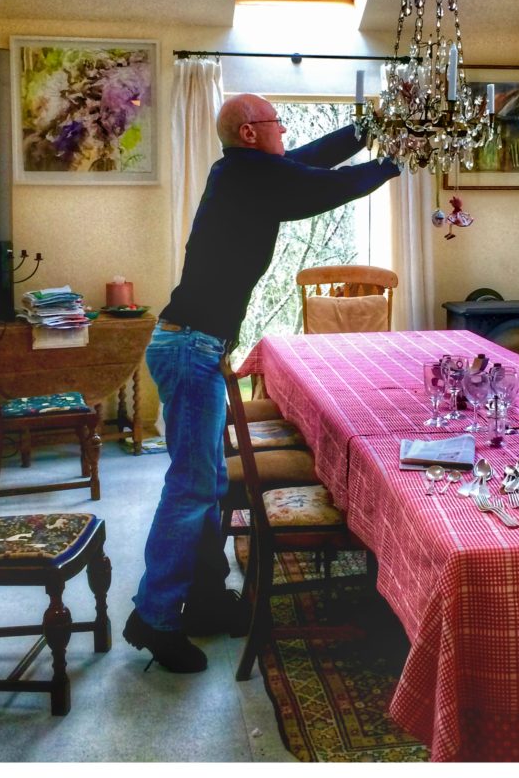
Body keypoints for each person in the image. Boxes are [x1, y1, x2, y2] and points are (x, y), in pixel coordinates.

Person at [124, 92, 401, 672]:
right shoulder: (247, 177)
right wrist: (389, 161)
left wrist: (365, 128)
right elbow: (321, 186)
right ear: (250, 133)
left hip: (193, 343)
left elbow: (307, 163)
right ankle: (153, 618)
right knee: (192, 488)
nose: (284, 132)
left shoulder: (246, 174)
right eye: (277, 124)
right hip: (191, 346)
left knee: (204, 484)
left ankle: (201, 600)